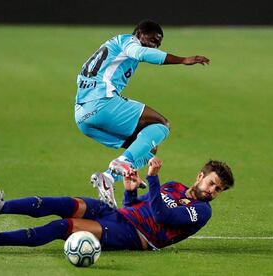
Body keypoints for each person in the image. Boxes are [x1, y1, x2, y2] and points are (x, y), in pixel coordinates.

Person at [74, 19, 210, 207]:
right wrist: (183, 60)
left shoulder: (110, 50)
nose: (155, 45)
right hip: (102, 102)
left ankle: (108, 178)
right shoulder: (127, 41)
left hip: (82, 117)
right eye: (153, 40)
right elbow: (140, 52)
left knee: (149, 149)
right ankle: (122, 162)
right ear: (139, 34)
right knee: (162, 125)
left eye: (159, 43)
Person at [0, 157, 234, 252]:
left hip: (134, 235)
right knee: (65, 203)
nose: (213, 191)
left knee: (64, 226)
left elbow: (162, 215)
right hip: (119, 215)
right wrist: (130, 193)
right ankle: (0, 208)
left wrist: (153, 179)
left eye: (218, 190)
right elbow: (137, 206)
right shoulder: (174, 187)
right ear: (200, 176)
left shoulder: (201, 211)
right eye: (212, 183)